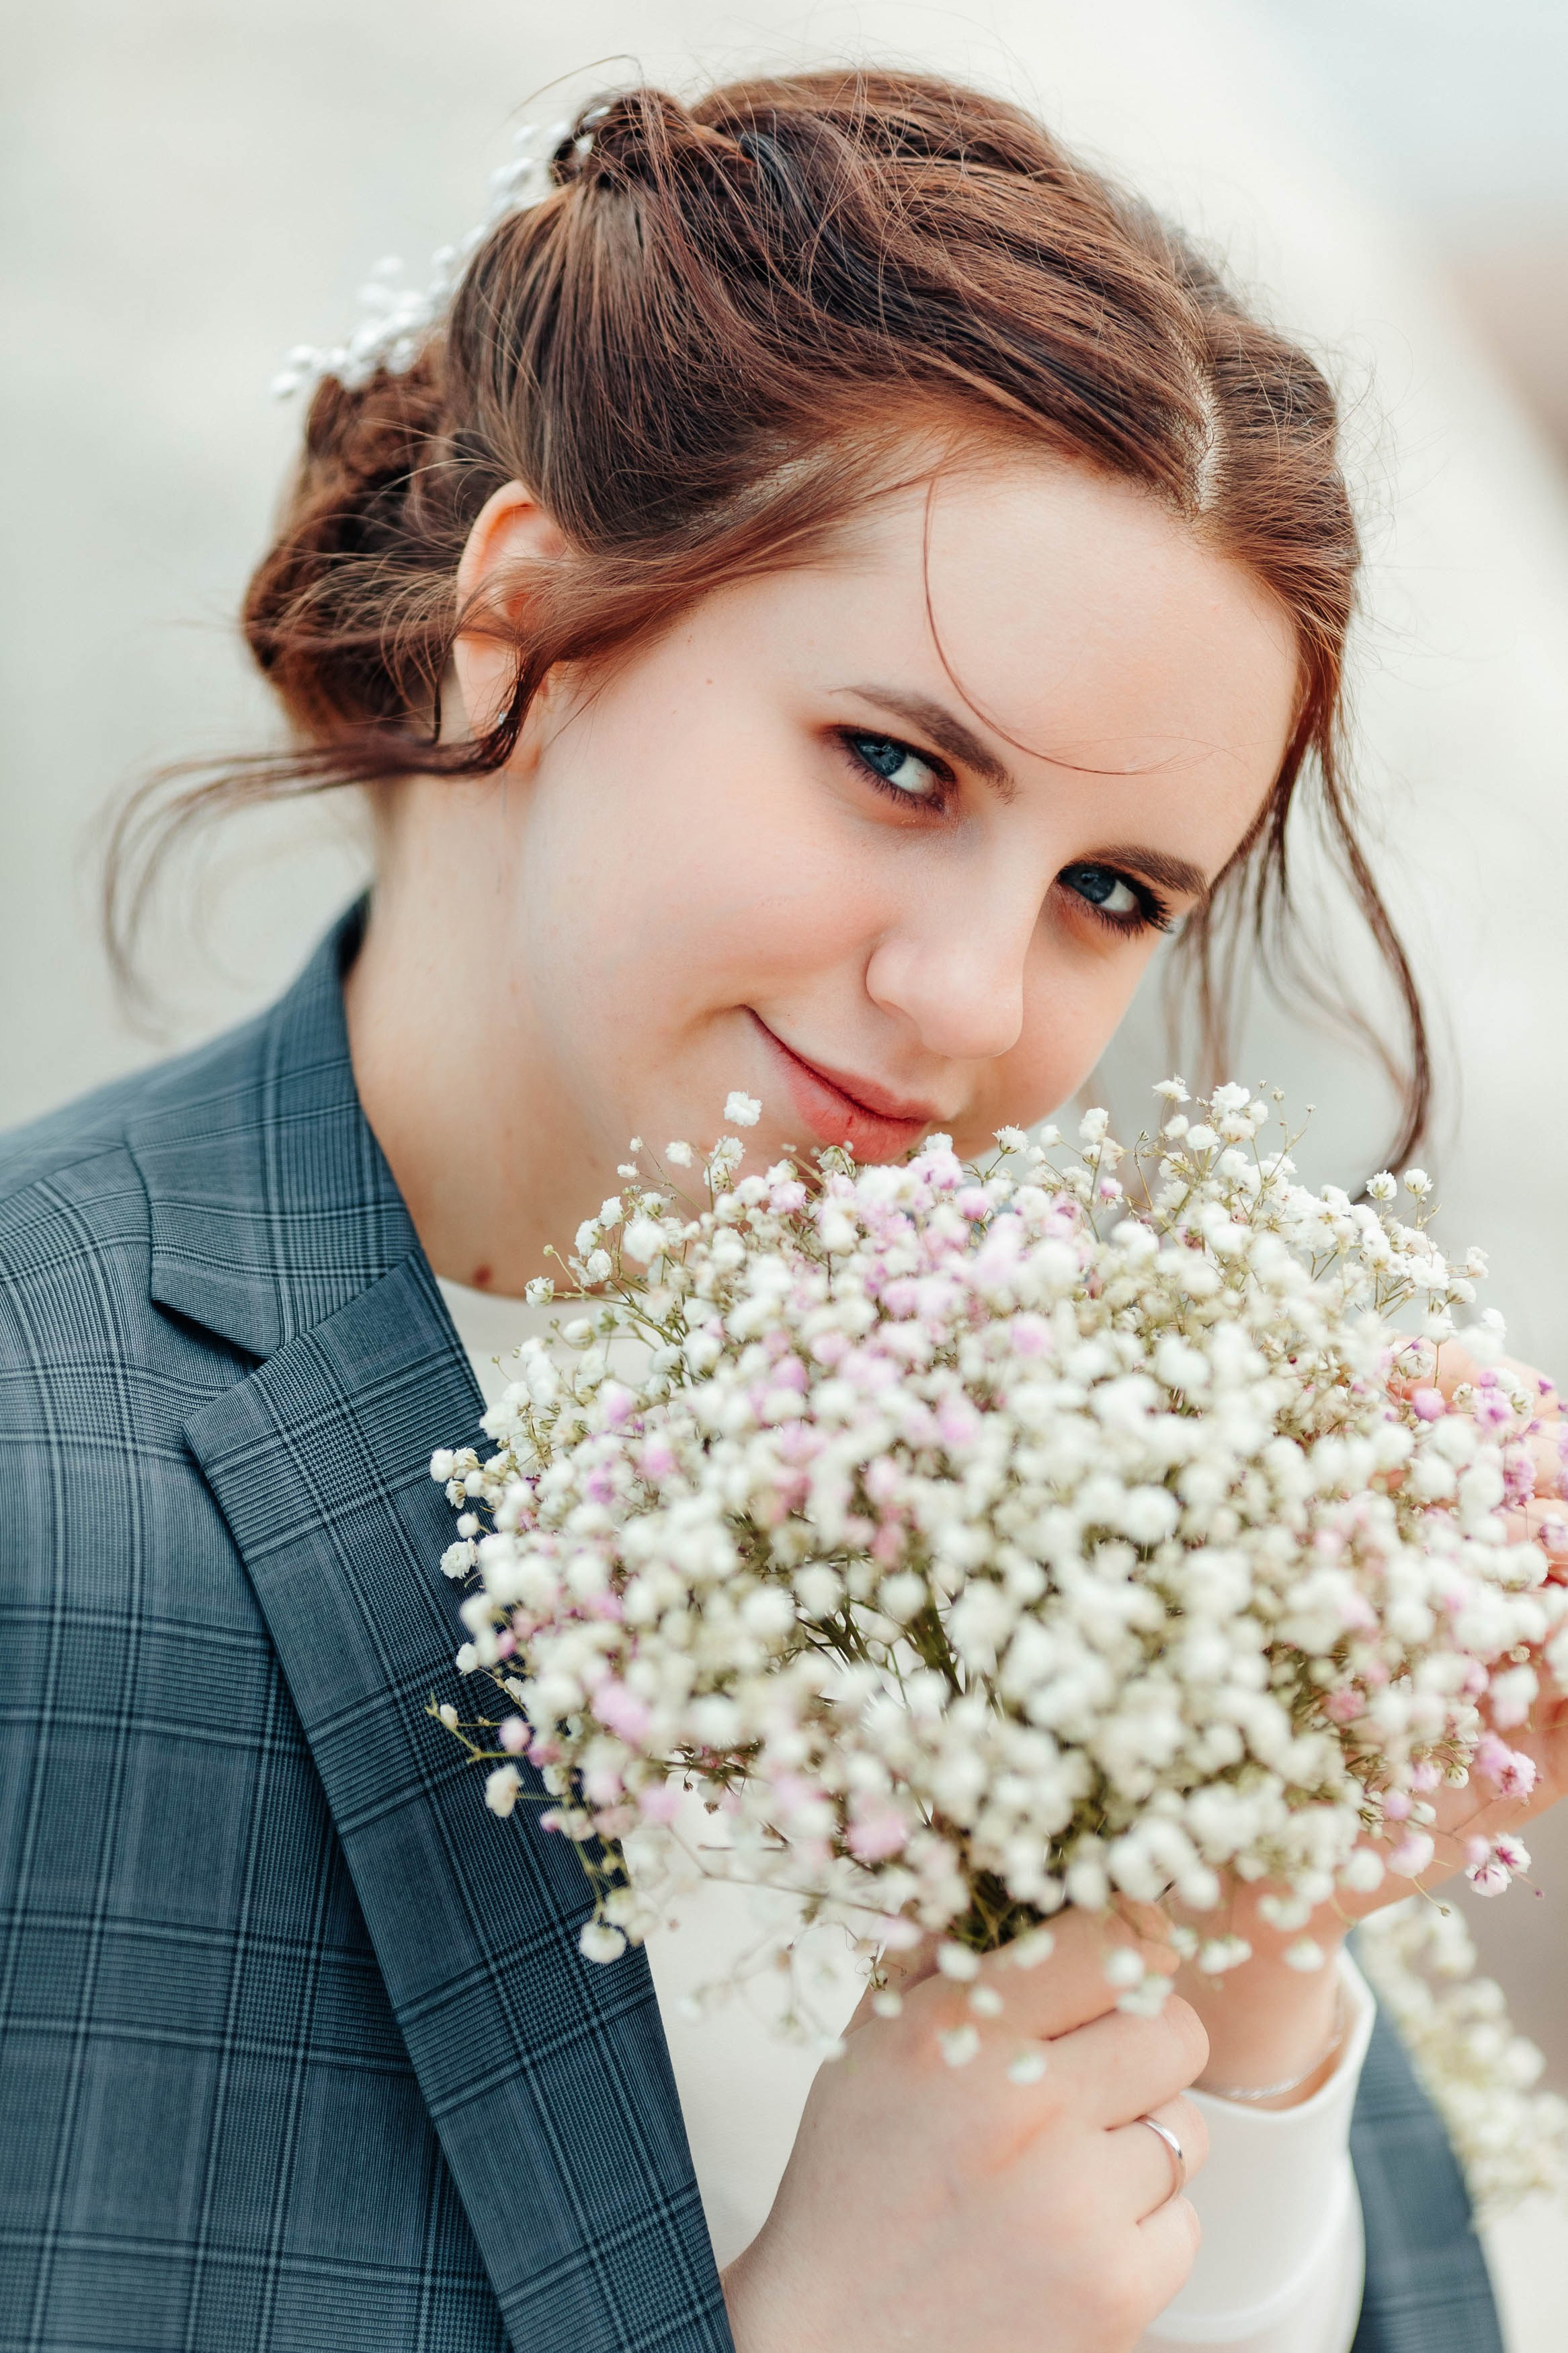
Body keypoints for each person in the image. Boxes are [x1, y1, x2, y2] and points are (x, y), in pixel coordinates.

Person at [1, 66, 1559, 2353]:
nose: (970, 997)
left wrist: (1242, 1962)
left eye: (1110, 894)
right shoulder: (47, 1474)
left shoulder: (1105, 1504)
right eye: (898, 764)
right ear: (524, 623)